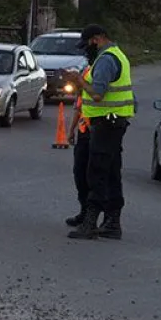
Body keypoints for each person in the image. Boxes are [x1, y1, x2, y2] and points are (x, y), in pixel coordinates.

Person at [66, 24, 134, 240]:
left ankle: (91, 223)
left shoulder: (105, 60)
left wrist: (79, 81)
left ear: (97, 39)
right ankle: (112, 222)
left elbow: (97, 94)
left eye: (87, 44)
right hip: (113, 122)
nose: (86, 49)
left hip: (106, 123)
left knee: (97, 172)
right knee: (111, 172)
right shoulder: (117, 54)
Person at [64, 44, 99, 228]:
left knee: (94, 175)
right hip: (84, 130)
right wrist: (71, 130)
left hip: (100, 130)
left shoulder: (102, 70)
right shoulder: (87, 71)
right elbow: (79, 103)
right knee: (80, 173)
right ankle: (84, 210)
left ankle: (95, 217)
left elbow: (98, 96)